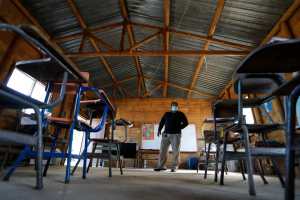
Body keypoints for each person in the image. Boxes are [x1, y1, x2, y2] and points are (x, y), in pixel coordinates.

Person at [154, 101, 188, 172]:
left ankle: (174, 167)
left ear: (177, 107)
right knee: (163, 150)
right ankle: (161, 166)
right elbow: (162, 122)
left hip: (176, 135)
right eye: (173, 106)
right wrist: (159, 130)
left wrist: (179, 127)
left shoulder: (180, 114)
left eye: (175, 106)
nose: (174, 107)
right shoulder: (167, 114)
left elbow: (186, 123)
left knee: (175, 151)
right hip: (166, 134)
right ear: (171, 107)